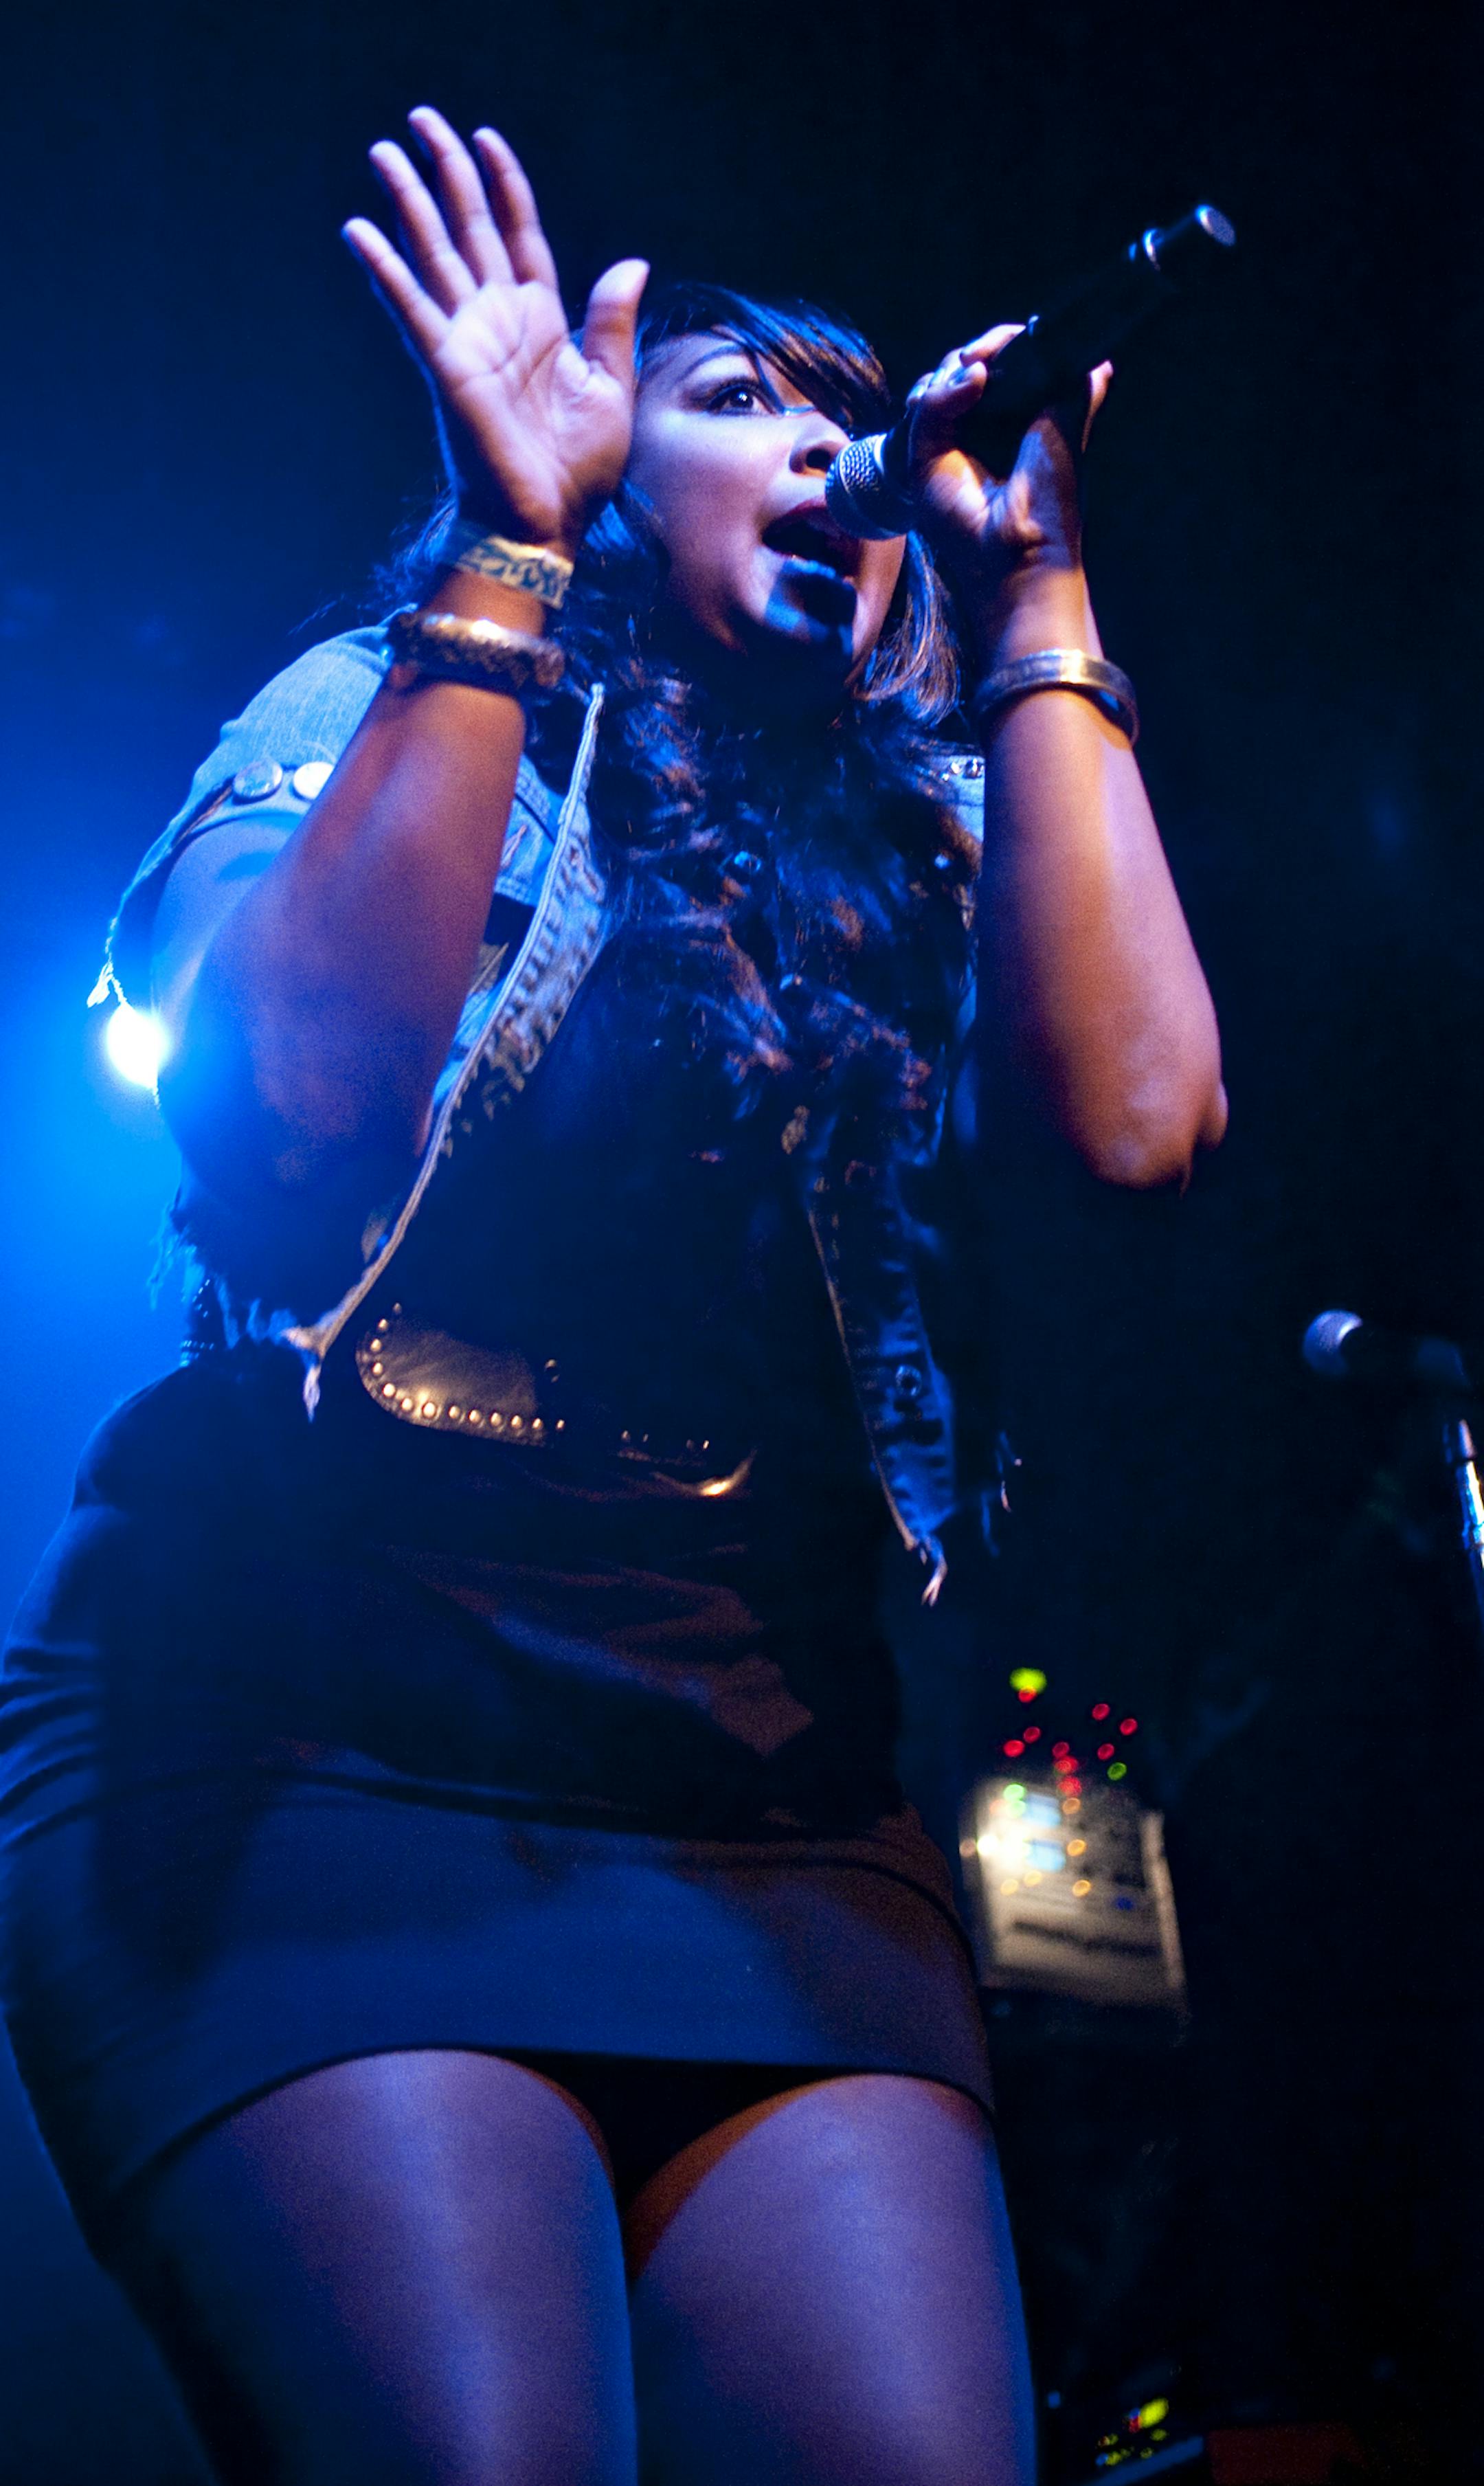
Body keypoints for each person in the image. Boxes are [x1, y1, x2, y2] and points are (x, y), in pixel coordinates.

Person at [0, 107, 1225, 2486]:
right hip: (295, 1759)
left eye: (853, 410)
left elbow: (1144, 1131)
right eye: (746, 404)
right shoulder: (390, 697)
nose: (837, 449)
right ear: (605, 454)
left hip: (756, 1803)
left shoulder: (946, 814)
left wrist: (1043, 604)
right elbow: (282, 1130)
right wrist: (504, 549)